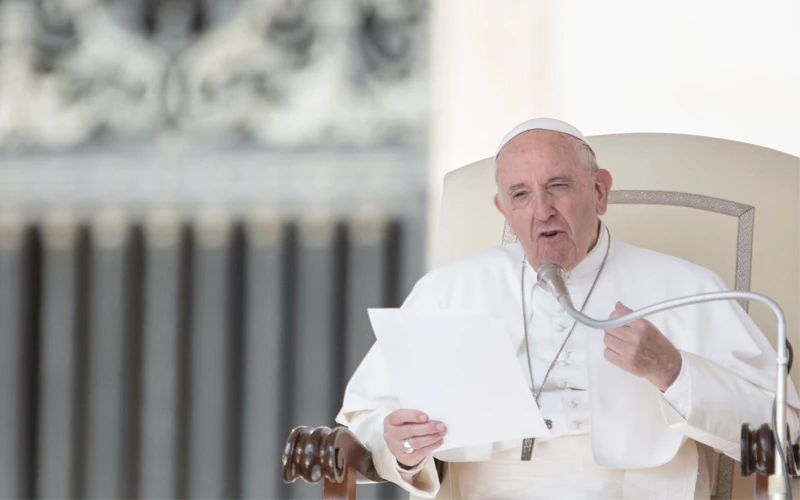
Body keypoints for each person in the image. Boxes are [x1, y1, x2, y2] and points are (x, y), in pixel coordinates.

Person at [336, 118, 800, 499]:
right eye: (521, 196)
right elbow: (367, 419)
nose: (542, 211)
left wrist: (674, 371)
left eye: (557, 187)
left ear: (599, 192)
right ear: (503, 209)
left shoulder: (686, 286)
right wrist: (401, 448)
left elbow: (784, 431)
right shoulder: (450, 288)